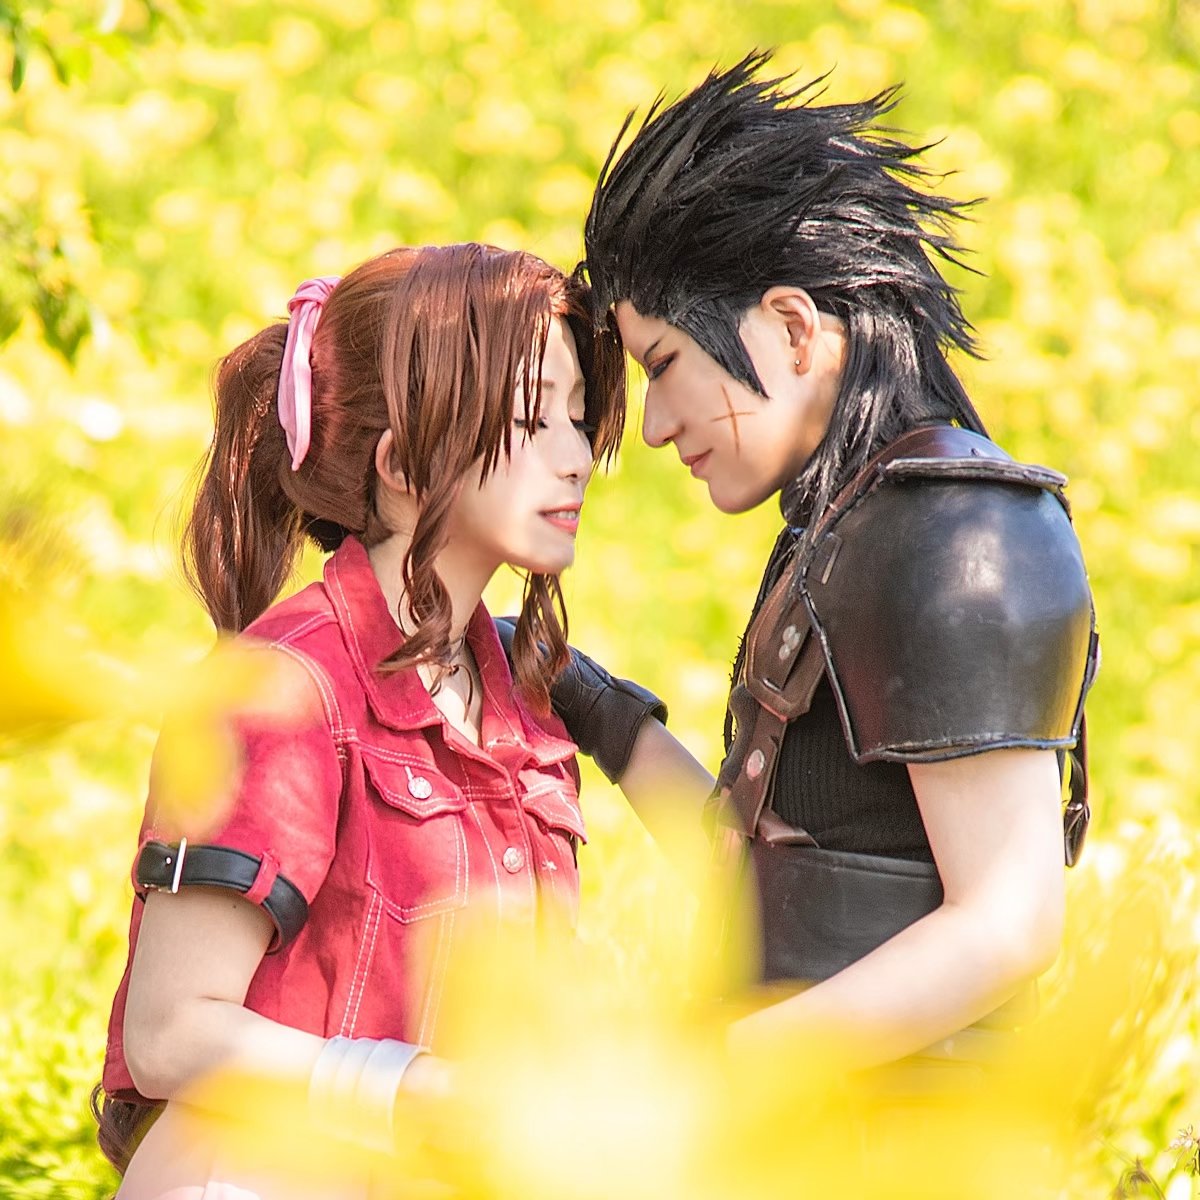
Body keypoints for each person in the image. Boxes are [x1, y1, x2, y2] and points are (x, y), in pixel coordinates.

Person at [567, 53, 1099, 1073]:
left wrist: (718, 1084)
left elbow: (1008, 921)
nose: (656, 425)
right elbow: (762, 883)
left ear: (793, 328)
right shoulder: (847, 525)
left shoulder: (961, 532)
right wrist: (589, 702)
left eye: (665, 366)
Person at [93, 242, 651, 1195]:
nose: (575, 456)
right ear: (401, 465)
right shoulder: (282, 687)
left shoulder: (517, 701)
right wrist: (418, 1092)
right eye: (531, 418)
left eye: (577, 416)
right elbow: (169, 1032)